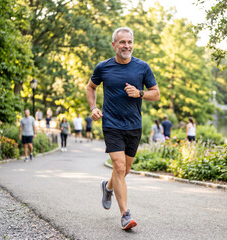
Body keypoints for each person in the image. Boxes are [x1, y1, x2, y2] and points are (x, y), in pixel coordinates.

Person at [86, 27, 159, 230]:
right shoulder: (103, 67)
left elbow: (157, 93)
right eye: (122, 42)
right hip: (111, 124)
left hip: (134, 125)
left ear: (132, 44)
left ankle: (108, 187)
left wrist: (139, 93)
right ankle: (125, 215)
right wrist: (93, 107)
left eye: (129, 42)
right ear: (114, 45)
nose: (126, 46)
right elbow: (90, 87)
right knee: (118, 167)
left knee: (125, 170)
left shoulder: (142, 67)